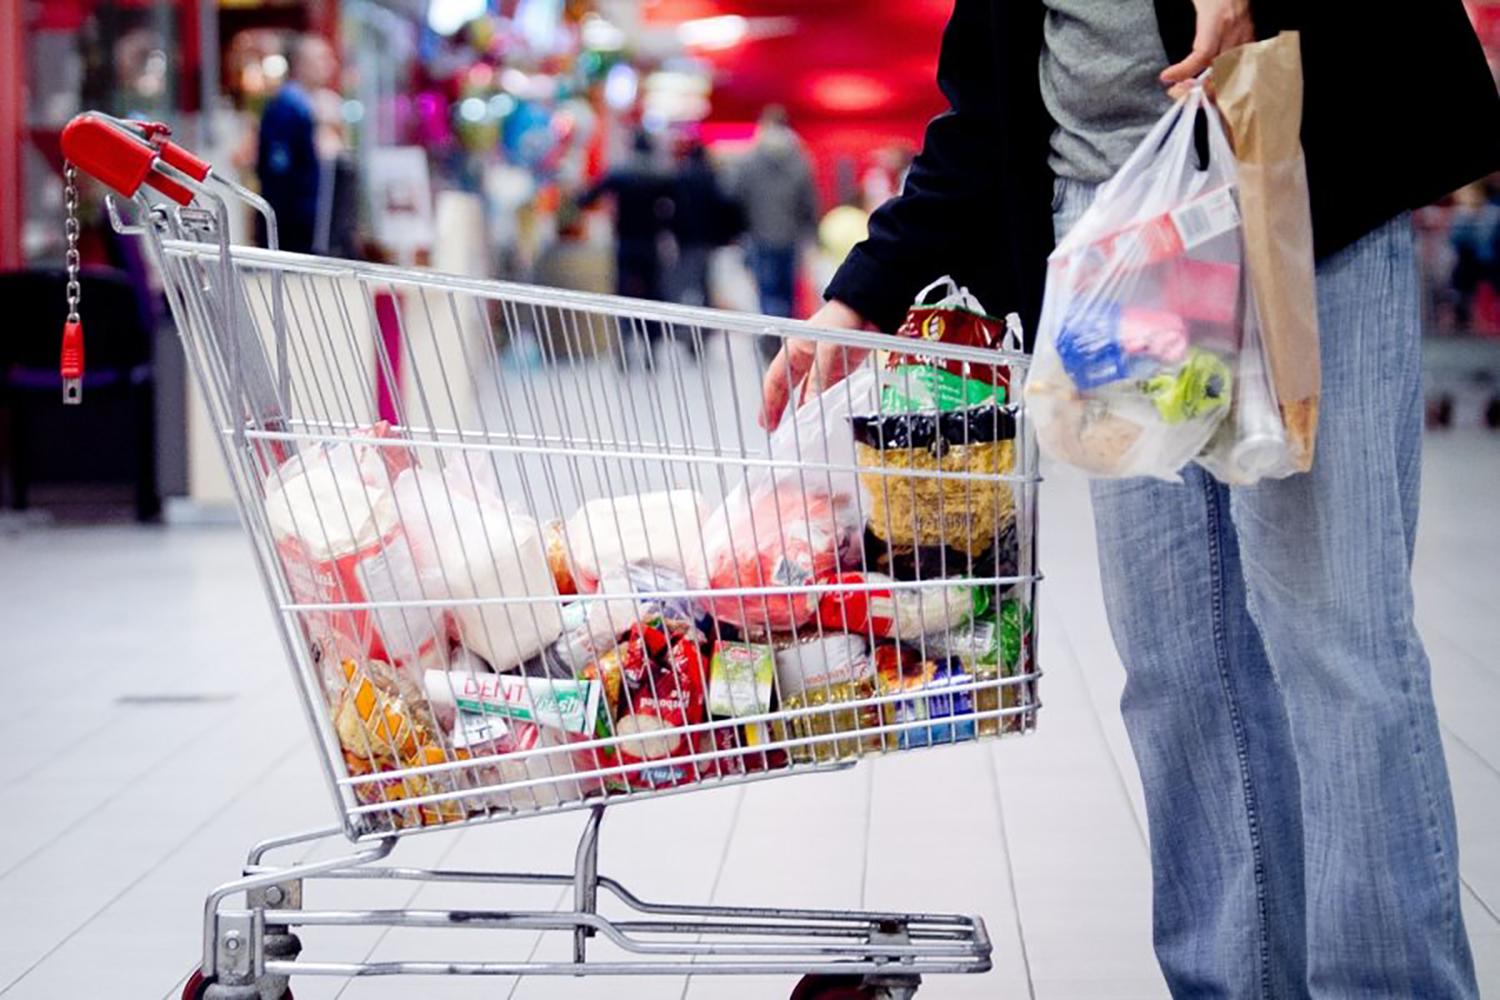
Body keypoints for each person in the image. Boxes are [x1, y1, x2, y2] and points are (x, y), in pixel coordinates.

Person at [761, 2, 1500, 996]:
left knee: (1337, 639)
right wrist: (859, 296)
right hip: (1110, 243)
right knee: (1178, 665)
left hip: (1290, 179)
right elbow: (990, 110)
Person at [729, 106, 819, 322]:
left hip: (759, 234)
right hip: (790, 235)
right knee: (787, 293)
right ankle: (785, 340)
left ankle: (770, 336)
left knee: (767, 291)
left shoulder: (751, 159)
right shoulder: (799, 158)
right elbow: (808, 201)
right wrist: (810, 232)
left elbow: (736, 195)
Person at [256, 35, 336, 254]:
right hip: (291, 226)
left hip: (307, 220)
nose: (330, 65)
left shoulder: (309, 105)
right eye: (321, 59)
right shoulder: (287, 107)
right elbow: (278, 170)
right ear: (300, 64)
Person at [578, 130, 674, 305]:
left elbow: (589, 196)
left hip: (626, 237)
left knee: (623, 287)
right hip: (649, 238)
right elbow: (675, 204)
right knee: (652, 287)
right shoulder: (659, 175)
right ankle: (652, 329)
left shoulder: (621, 173)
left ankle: (625, 327)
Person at [667, 141, 736, 309]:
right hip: (708, 237)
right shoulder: (712, 177)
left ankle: (688, 308)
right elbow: (723, 206)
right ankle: (705, 308)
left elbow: (674, 208)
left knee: (688, 275)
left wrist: (674, 230)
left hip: (687, 237)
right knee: (706, 276)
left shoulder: (681, 176)